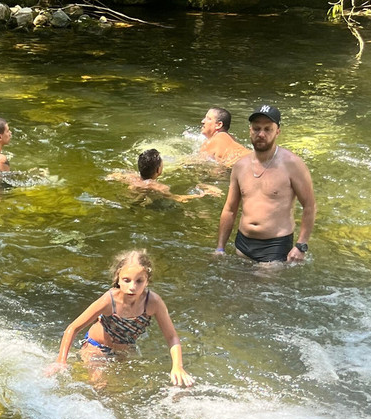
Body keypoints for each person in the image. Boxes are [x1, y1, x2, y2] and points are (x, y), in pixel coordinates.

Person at [46, 249, 195, 388]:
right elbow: (73, 328)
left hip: (125, 351)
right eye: (126, 280)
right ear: (118, 279)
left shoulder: (153, 302)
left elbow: (171, 337)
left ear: (147, 281)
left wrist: (178, 366)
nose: (132, 287)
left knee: (130, 388)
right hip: (96, 348)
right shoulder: (109, 300)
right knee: (101, 387)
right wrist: (60, 361)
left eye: (139, 281)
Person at [216, 104, 316, 264]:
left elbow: (309, 206)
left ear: (277, 131)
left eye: (267, 129)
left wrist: (301, 245)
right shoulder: (240, 166)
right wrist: (220, 248)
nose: (261, 134)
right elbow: (229, 209)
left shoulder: (293, 164)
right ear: (250, 130)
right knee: (238, 286)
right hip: (243, 243)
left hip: (275, 245)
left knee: (264, 287)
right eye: (256, 128)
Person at [108, 149, 221, 203]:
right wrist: (204, 194)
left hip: (129, 199)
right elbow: (179, 198)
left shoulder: (130, 177)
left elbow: (113, 175)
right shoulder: (159, 187)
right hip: (141, 203)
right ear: (158, 170)